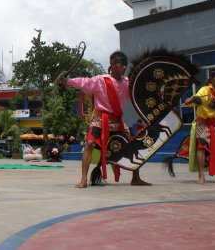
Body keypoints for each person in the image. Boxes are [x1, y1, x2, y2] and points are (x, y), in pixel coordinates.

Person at [61, 51, 151, 188]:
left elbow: (137, 93)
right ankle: (83, 179)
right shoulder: (100, 80)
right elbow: (84, 82)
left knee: (134, 144)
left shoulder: (127, 83)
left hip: (117, 121)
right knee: (89, 144)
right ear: (113, 65)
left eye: (126, 65)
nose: (124, 68)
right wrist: (67, 81)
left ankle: (136, 178)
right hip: (100, 119)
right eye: (122, 65)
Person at [184, 68, 215, 185]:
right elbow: (190, 101)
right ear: (211, 79)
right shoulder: (205, 90)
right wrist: (191, 99)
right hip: (203, 123)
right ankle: (201, 176)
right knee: (201, 147)